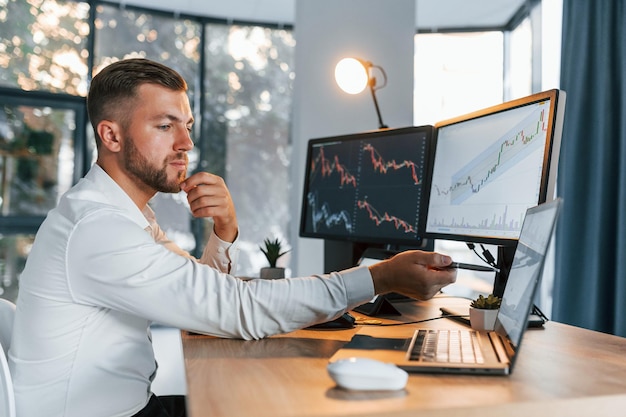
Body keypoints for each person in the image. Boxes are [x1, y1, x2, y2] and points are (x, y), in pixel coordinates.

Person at [8, 58, 456, 417]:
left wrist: (223, 232)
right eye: (165, 126)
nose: (186, 142)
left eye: (188, 125)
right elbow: (232, 309)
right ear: (111, 135)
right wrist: (378, 279)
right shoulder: (99, 229)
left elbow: (197, 301)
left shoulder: (121, 214)